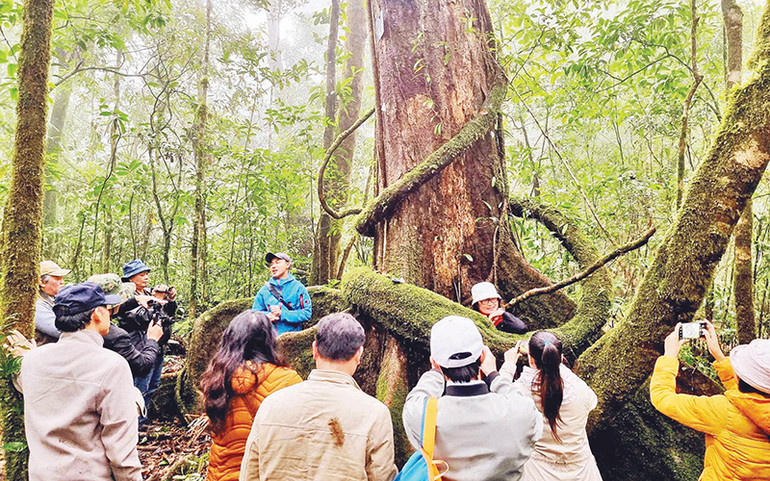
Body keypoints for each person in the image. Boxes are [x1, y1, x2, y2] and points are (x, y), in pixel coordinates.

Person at [239, 312, 397, 481]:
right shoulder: (375, 414)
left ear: (314, 349)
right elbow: (382, 476)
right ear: (359, 354)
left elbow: (249, 474)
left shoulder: (271, 405)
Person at [18, 282, 143, 481]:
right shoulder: (111, 366)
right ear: (97, 314)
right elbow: (121, 451)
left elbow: (24, 381)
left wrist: (21, 354)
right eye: (107, 309)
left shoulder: (31, 361)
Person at [402, 315, 542, 481]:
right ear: (483, 357)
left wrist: (435, 372)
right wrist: (494, 375)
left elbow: (418, 396)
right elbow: (519, 401)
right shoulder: (521, 411)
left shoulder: (421, 414)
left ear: (435, 363)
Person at [650, 322, 770, 480]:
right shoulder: (758, 407)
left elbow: (662, 398)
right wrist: (718, 355)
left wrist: (669, 356)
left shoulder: (723, 412)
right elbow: (750, 399)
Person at [201, 310, 302, 481]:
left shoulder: (216, 378)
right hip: (262, 473)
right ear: (270, 340)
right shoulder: (288, 380)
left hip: (220, 474)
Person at [507, 332, 602, 481]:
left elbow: (497, 402)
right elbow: (592, 403)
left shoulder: (520, 392)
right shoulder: (579, 390)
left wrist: (508, 365)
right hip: (582, 472)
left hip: (538, 473)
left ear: (531, 359)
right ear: (560, 357)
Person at [118, 259, 177, 423]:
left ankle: (142, 422)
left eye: (146, 275)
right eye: (141, 275)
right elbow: (138, 319)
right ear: (131, 278)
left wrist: (169, 300)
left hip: (157, 346)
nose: (146, 278)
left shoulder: (149, 292)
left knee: (153, 386)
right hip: (139, 347)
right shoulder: (126, 297)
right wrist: (154, 301)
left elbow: (169, 315)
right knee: (139, 388)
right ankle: (132, 425)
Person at [89, 273, 164, 378]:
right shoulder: (115, 336)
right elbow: (142, 367)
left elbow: (112, 310)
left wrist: (135, 300)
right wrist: (152, 340)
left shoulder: (79, 321)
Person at [251, 252, 312, 335]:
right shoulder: (264, 290)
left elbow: (306, 313)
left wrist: (282, 314)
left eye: (278, 262)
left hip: (292, 339)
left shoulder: (298, 288)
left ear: (287, 265)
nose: (273, 266)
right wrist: (266, 316)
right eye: (271, 264)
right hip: (269, 340)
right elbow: (254, 312)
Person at [34, 260, 71, 345]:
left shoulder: (54, 299)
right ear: (42, 282)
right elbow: (57, 330)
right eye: (57, 278)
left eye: (62, 278)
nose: (62, 282)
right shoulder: (37, 305)